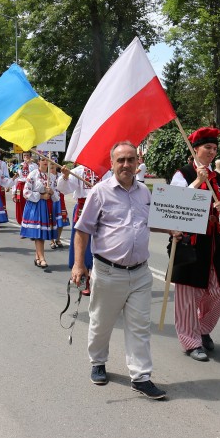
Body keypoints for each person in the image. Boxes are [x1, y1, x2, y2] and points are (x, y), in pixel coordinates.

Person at [72, 141, 166, 400]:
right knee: (102, 322)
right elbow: (82, 230)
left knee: (139, 327)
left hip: (140, 273)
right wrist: (79, 264)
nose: (126, 164)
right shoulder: (100, 192)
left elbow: (151, 221)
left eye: (131, 159)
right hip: (108, 271)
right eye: (121, 160)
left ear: (138, 163)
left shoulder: (144, 192)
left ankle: (141, 377)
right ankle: (98, 362)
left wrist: (171, 229)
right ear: (112, 163)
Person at [169, 127, 220, 362]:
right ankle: (190, 341)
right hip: (190, 239)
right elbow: (175, 204)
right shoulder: (183, 174)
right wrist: (197, 182)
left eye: (215, 148)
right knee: (188, 293)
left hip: (214, 239)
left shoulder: (217, 178)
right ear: (195, 149)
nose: (211, 151)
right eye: (208, 147)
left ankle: (202, 328)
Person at [57, 164, 109, 296]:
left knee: (102, 243)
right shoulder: (79, 171)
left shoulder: (107, 170)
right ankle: (83, 277)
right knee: (83, 245)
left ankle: (98, 280)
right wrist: (65, 176)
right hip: (83, 209)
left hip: (102, 209)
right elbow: (64, 189)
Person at [20, 155, 59, 268]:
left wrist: (51, 192)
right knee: (39, 234)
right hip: (35, 206)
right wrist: (41, 196)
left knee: (41, 232)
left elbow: (57, 197)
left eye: (48, 160)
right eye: (43, 160)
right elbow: (25, 192)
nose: (46, 162)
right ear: (38, 162)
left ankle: (37, 257)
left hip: (46, 207)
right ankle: (42, 258)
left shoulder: (51, 177)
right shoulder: (33, 174)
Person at [12, 151, 37, 225]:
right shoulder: (19, 166)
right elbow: (16, 179)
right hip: (20, 187)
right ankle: (21, 222)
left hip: (29, 187)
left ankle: (29, 222)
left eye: (27, 155)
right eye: (24, 155)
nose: (26, 157)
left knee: (30, 203)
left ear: (30, 156)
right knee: (19, 203)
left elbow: (35, 176)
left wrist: (29, 164)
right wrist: (14, 193)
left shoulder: (34, 166)